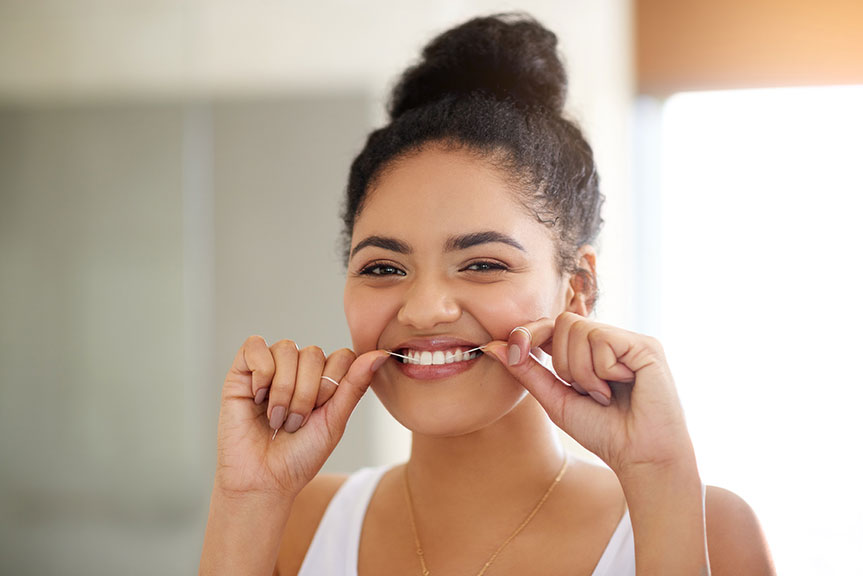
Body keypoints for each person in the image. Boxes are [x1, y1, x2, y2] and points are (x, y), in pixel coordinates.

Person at [199, 13, 774, 576]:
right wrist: (246, 498)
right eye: (383, 268)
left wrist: (658, 476)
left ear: (578, 288)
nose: (425, 309)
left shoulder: (706, 528)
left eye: (481, 263)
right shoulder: (294, 524)